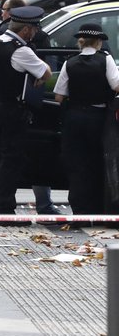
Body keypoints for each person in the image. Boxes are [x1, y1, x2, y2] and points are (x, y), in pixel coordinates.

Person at [0, 0, 61, 216]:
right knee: (11, 158)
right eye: (34, 30)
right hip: (11, 110)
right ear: (26, 30)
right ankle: (5, 207)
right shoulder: (21, 50)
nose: (35, 34)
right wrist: (36, 74)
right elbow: (45, 72)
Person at [53, 23, 119, 217]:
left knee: (77, 164)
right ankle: (98, 209)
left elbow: (58, 96)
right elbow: (116, 86)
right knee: (98, 162)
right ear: (99, 42)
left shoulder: (69, 62)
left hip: (74, 119)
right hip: (99, 119)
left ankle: (80, 210)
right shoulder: (105, 60)